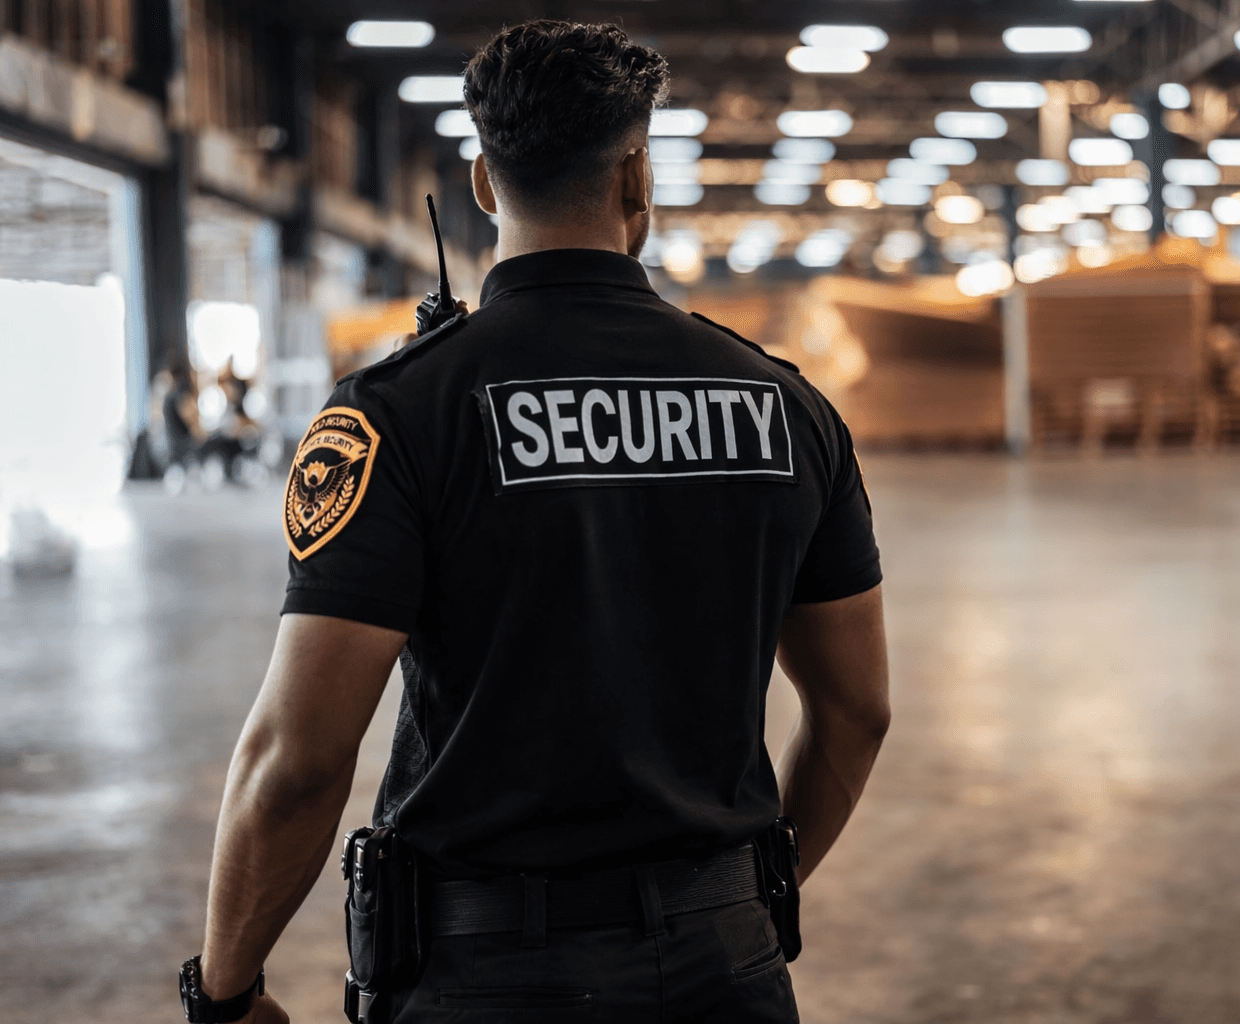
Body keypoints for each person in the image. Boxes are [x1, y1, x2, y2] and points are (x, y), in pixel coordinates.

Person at [186, 19, 889, 1024]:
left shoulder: (400, 412)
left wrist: (225, 989)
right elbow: (858, 708)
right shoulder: (785, 405)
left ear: (482, 181)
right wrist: (740, 901)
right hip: (723, 968)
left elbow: (296, 757)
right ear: (636, 179)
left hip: (482, 981)